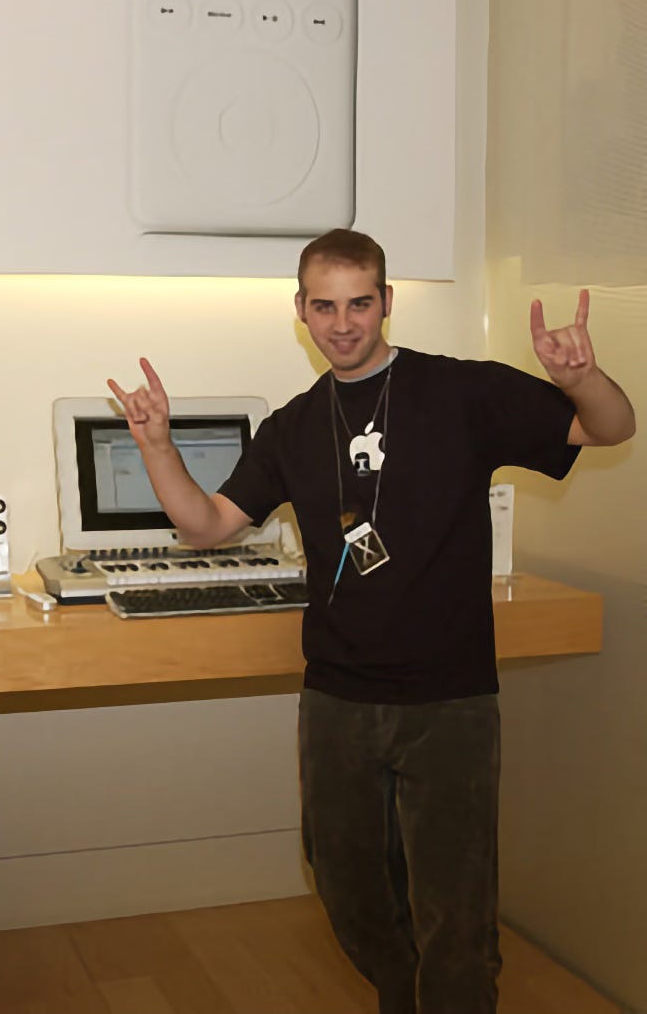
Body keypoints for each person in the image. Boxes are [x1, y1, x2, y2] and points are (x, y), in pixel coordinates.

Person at [106, 228, 635, 1014]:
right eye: (325, 306)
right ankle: (403, 995)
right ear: (301, 312)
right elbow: (208, 524)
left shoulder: (462, 392)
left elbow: (609, 427)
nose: (343, 323)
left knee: (454, 908)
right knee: (347, 888)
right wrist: (156, 446)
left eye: (360, 303)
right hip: (338, 698)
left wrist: (585, 378)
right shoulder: (292, 424)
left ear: (387, 302)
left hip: (449, 699)